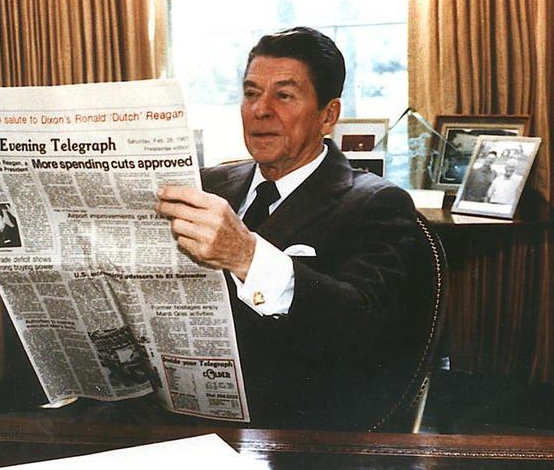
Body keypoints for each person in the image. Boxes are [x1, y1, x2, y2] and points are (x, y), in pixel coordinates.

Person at [155, 27, 429, 430]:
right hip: (162, 409)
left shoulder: (376, 203)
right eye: (251, 94)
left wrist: (247, 256)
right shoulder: (205, 185)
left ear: (328, 116)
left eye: (283, 95)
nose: (260, 110)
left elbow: (364, 329)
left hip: (289, 426)